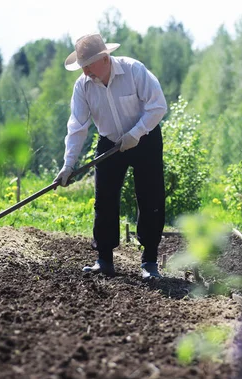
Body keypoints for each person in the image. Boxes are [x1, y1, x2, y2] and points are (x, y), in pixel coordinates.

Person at [53, 33, 167, 279]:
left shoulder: (134, 70)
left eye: (89, 65)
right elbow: (77, 126)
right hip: (110, 142)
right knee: (103, 199)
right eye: (82, 67)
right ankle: (104, 260)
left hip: (145, 137)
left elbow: (158, 106)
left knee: (151, 197)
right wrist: (68, 164)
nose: (85, 72)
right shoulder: (82, 87)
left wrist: (135, 134)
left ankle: (149, 262)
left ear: (104, 58)